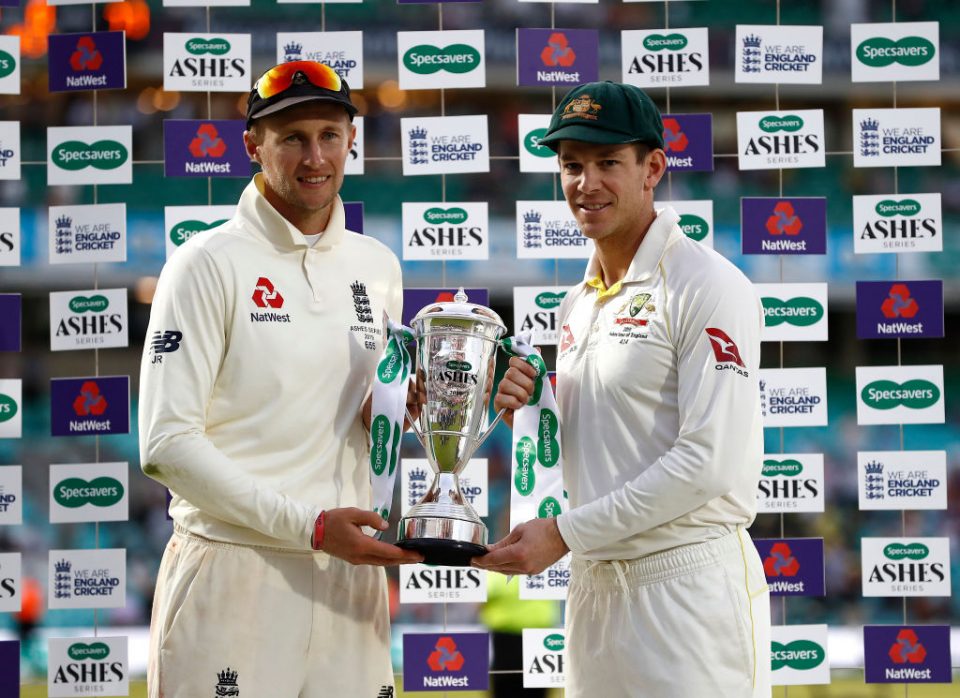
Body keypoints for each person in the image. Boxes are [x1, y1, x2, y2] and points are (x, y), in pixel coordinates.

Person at [476, 81, 772, 697]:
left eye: (608, 162)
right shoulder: (578, 302)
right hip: (595, 591)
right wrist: (533, 423)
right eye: (572, 166)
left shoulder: (707, 285)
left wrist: (562, 534)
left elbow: (706, 464)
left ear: (653, 168)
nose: (587, 184)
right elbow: (609, 447)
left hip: (687, 594)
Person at [138, 60, 421, 698]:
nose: (313, 156)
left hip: (350, 575)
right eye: (291, 137)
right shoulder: (205, 264)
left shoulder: (376, 266)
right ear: (253, 147)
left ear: (354, 139)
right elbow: (165, 445)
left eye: (328, 134)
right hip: (237, 569)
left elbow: (349, 415)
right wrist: (311, 526)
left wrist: (399, 405)